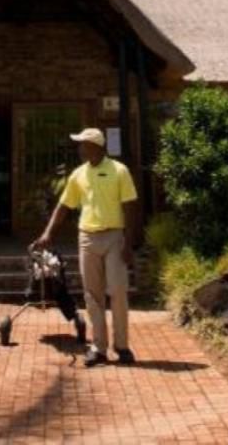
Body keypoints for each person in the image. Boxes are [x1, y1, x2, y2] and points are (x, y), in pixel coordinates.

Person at [32, 127, 140, 367]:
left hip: (114, 237)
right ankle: (98, 347)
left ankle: (121, 346)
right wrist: (48, 233)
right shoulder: (78, 174)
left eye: (83, 144)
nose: (80, 148)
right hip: (87, 238)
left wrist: (129, 244)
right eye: (79, 144)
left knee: (118, 291)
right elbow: (63, 206)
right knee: (92, 295)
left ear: (97, 147)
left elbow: (130, 207)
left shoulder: (119, 171)